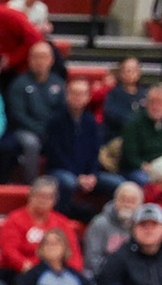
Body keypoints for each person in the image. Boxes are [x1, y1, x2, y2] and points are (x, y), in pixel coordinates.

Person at [47, 77, 123, 218]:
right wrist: (78, 176)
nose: (77, 97)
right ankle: (63, 216)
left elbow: (95, 152)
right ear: (67, 94)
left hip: (88, 173)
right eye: (74, 93)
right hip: (61, 170)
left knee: (119, 184)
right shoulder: (55, 120)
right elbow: (55, 154)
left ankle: (109, 220)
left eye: (82, 94)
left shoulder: (91, 121)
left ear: (88, 97)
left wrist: (92, 174)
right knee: (68, 182)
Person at [5, 41, 66, 184]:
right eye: (36, 57)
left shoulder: (59, 83)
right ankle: (31, 183)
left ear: (51, 60)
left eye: (44, 57)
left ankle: (62, 179)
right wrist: (41, 130)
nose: (40, 61)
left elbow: (62, 111)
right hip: (24, 130)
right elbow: (17, 115)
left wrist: (52, 129)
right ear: (30, 59)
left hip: (51, 129)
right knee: (31, 143)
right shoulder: (19, 84)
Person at [0, 177, 82, 273]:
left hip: (56, 272)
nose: (43, 201)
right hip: (21, 271)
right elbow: (9, 250)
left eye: (48, 197)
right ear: (30, 196)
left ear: (54, 200)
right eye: (39, 196)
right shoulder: (15, 219)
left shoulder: (62, 222)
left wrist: (72, 272)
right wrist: (25, 266)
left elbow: (73, 252)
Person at [83, 181, 145, 280]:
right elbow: (91, 260)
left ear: (140, 204)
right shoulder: (99, 223)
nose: (127, 204)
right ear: (115, 200)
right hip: (104, 277)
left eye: (132, 201)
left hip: (136, 279)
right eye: (123, 199)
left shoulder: (144, 227)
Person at [14, 229, 91, 285]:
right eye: (47, 243)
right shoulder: (32, 275)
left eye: (56, 243)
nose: (51, 246)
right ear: (41, 248)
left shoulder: (76, 276)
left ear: (65, 248)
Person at [99, 57, 146, 139]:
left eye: (135, 69)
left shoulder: (145, 94)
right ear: (121, 73)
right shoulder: (113, 94)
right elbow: (112, 115)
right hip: (118, 137)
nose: (132, 73)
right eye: (128, 70)